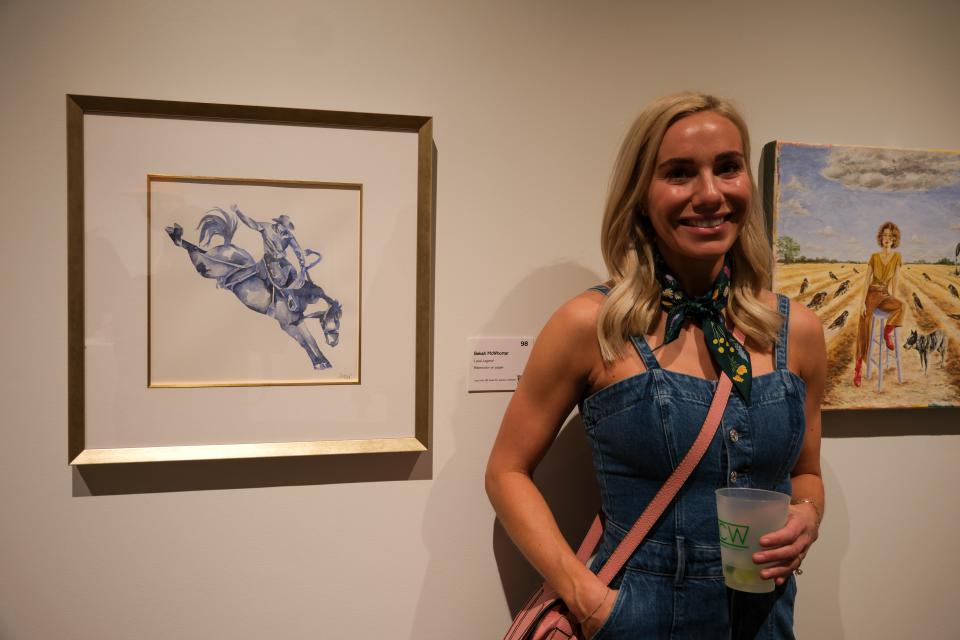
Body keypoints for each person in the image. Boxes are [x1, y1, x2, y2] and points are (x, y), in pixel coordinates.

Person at [485, 92, 825, 639]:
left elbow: (805, 473)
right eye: (679, 173)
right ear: (641, 195)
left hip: (766, 620)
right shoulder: (589, 326)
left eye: (728, 168)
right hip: (634, 621)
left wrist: (807, 514)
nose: (710, 193)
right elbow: (505, 472)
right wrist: (587, 599)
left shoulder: (797, 331)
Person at [853, 222, 903, 387]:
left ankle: (887, 332)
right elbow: (867, 281)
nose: (887, 239)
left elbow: (895, 280)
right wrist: (862, 303)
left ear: (894, 239)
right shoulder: (874, 257)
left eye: (891, 236)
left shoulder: (897, 257)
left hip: (885, 295)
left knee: (901, 306)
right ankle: (858, 368)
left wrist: (892, 297)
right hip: (872, 294)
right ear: (880, 238)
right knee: (864, 326)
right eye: (885, 236)